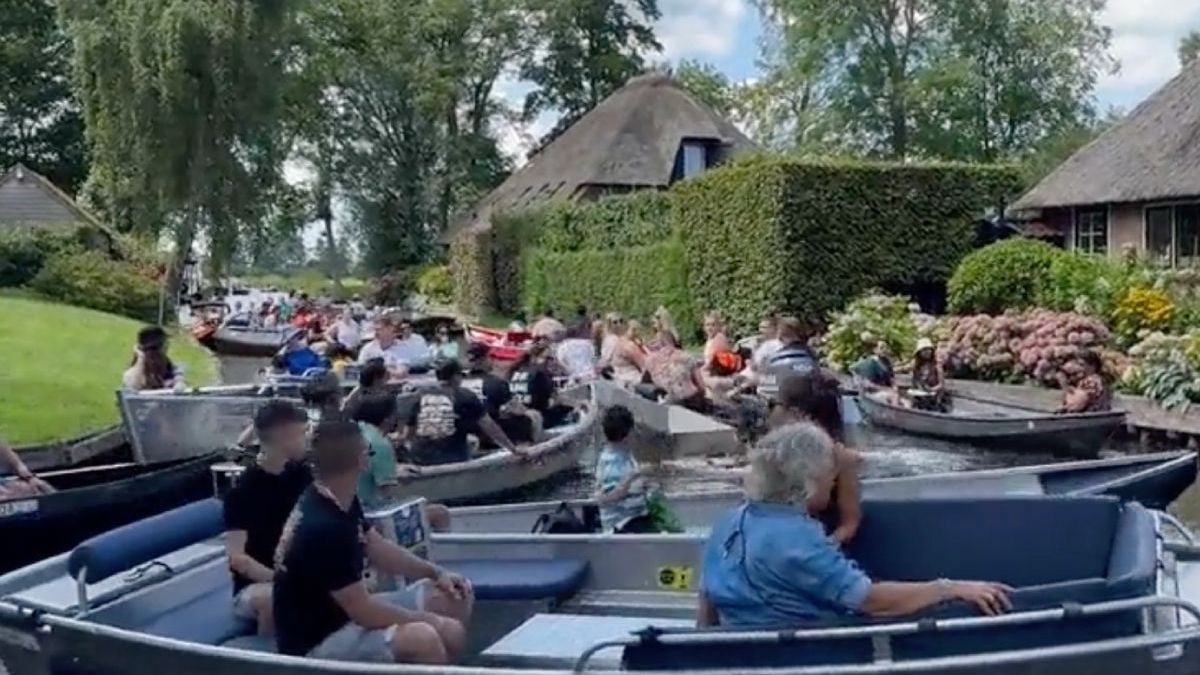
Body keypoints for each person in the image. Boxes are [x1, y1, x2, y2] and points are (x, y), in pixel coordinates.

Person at [697, 423, 1012, 628]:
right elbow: (869, 600)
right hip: (801, 650)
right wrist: (949, 588)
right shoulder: (795, 538)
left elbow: (707, 599)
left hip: (745, 646)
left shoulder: (731, 520)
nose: (833, 480)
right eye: (829, 474)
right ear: (809, 479)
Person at [272, 419, 473, 663]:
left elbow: (376, 546)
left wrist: (435, 573)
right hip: (316, 641)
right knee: (423, 637)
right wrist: (428, 620)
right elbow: (364, 612)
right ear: (361, 459)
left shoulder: (339, 497)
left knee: (453, 594)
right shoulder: (323, 527)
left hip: (343, 616)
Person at [223, 400, 312, 635]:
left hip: (303, 574)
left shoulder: (306, 477)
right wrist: (283, 582)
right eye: (303, 433)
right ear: (285, 437)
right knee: (274, 599)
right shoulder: (242, 492)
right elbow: (237, 558)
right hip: (258, 585)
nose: (307, 440)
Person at [768, 371, 862, 545]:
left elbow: (849, 524)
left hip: (815, 545)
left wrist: (821, 549)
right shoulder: (772, 450)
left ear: (795, 414)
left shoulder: (840, 458)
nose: (771, 410)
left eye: (773, 404)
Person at [403, 360, 527, 466]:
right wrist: (512, 449)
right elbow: (489, 426)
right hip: (451, 458)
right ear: (456, 376)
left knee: (471, 440)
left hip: (419, 458)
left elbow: (409, 433)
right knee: (472, 441)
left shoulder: (420, 395)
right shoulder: (465, 396)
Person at [595, 406, 656, 534]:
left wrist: (644, 482)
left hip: (635, 517)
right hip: (621, 524)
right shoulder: (611, 463)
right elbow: (605, 498)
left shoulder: (624, 453)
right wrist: (631, 476)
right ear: (628, 433)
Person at [464, 343, 540, 445]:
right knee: (533, 415)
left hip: (466, 431)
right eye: (491, 357)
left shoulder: (459, 382)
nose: (493, 361)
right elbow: (518, 410)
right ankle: (532, 451)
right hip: (488, 433)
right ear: (485, 359)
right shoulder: (496, 382)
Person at [347, 394, 407, 510]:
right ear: (387, 419)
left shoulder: (349, 432)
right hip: (367, 511)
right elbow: (388, 492)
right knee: (439, 513)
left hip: (342, 508)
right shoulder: (380, 444)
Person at [510, 339, 575, 429]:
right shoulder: (540, 375)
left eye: (552, 359)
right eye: (547, 358)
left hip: (518, 416)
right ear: (535, 357)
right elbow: (548, 403)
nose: (550, 362)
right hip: (537, 418)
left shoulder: (516, 371)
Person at [758, 317, 818, 400]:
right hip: (811, 403)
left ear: (780, 334)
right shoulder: (811, 355)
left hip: (782, 404)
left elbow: (765, 390)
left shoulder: (770, 351)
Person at [122, 326, 182, 391]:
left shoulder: (170, 367)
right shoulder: (135, 371)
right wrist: (141, 358)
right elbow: (133, 385)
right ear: (162, 346)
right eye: (166, 342)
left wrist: (140, 356)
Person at [597, 313, 645, 384]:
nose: (618, 324)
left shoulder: (622, 338)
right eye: (615, 322)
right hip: (619, 372)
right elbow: (606, 359)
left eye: (621, 321)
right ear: (609, 325)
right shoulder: (611, 340)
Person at [910, 338, 948, 412]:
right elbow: (915, 382)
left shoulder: (937, 365)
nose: (927, 352)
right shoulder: (918, 366)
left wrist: (931, 390)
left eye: (928, 350)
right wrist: (920, 387)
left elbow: (941, 385)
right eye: (924, 350)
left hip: (934, 397)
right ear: (920, 353)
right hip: (921, 395)